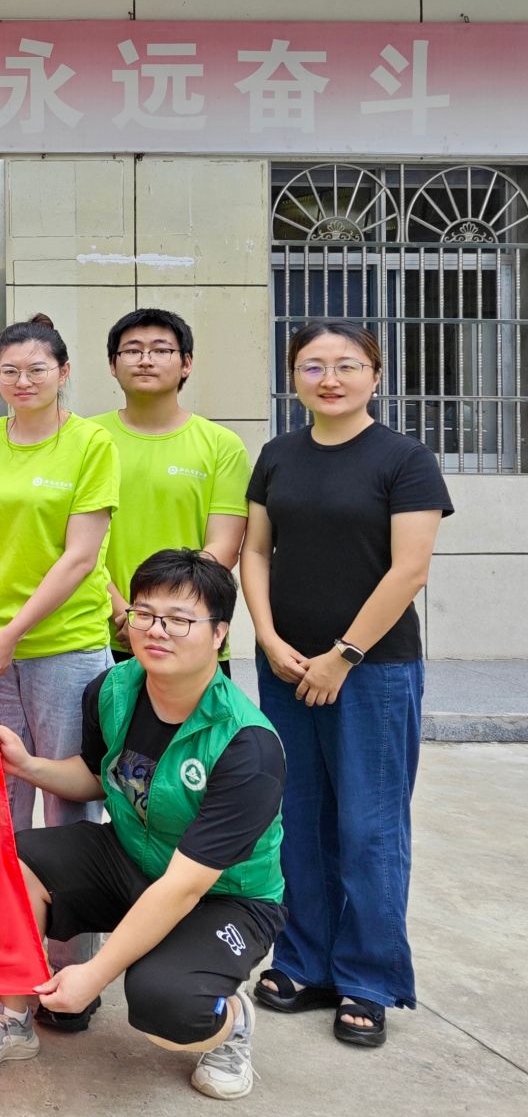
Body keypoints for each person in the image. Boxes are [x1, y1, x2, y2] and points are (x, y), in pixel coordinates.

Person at [0, 550, 286, 1102]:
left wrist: (94, 973)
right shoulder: (112, 688)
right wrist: (27, 765)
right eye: (144, 614)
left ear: (219, 634)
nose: (157, 631)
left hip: (222, 897)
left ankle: (230, 1021)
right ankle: (10, 1014)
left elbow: (185, 885)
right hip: (131, 856)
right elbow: (95, 775)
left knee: (164, 1004)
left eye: (179, 620)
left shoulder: (248, 746)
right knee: (5, 864)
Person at [242, 320, 450, 1050]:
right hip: (286, 667)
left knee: (368, 827)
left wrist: (344, 654)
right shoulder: (277, 455)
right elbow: (256, 551)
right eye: (312, 365)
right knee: (298, 818)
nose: (329, 378)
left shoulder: (405, 459)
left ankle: (368, 977)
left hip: (374, 672)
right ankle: (304, 960)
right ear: (293, 376)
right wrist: (268, 639)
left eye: (347, 365)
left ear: (375, 375)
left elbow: (409, 569)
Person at [0, 313, 120, 1030]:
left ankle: (70, 968)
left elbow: (81, 555)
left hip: (63, 645)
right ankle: (0, 955)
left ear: (64, 372)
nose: (23, 382)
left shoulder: (91, 444)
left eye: (37, 369)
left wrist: (14, 632)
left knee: (66, 800)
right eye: (10, 371)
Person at [93, 309, 248, 669]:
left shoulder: (221, 444)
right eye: (132, 350)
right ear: (113, 365)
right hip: (99, 633)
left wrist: (159, 617)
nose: (145, 360)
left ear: (186, 363)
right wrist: (124, 611)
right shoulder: (86, 439)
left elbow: (224, 546)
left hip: (188, 633)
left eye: (161, 350)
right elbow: (72, 544)